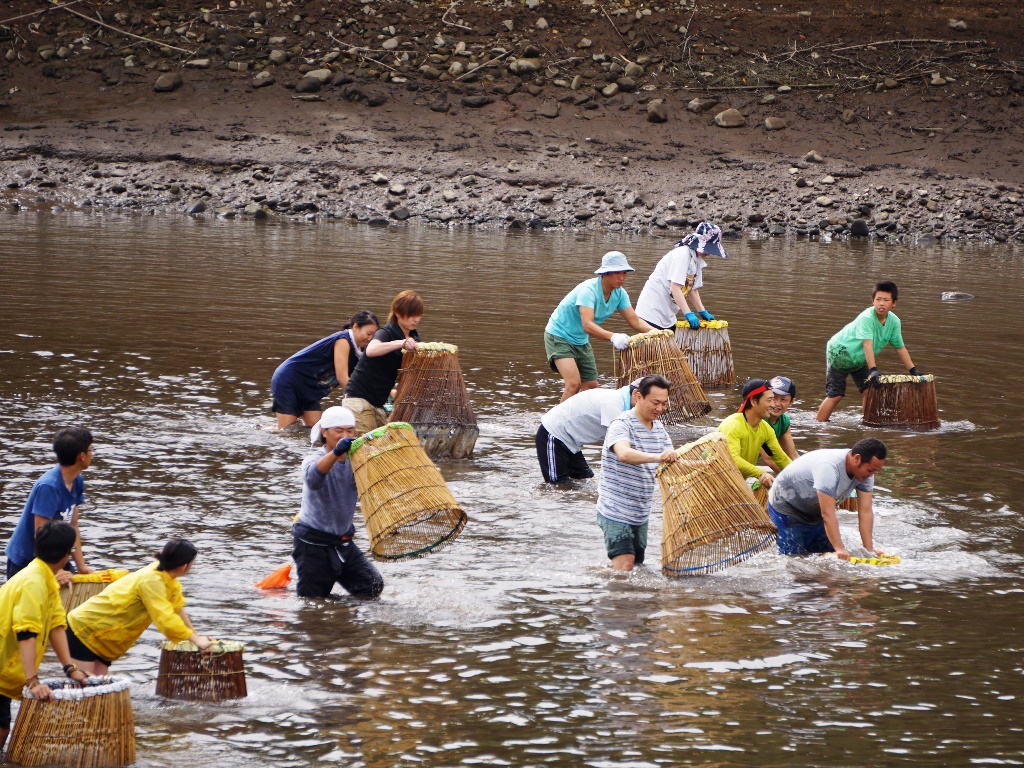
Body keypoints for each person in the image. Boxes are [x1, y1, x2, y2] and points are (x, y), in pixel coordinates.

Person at [1, 522, 89, 751]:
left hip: (4, 666)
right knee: (1, 729)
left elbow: (56, 626)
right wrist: (33, 681)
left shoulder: (45, 578)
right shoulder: (33, 582)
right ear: (65, 554)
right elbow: (26, 633)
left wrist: (70, 668)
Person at [66, 538, 213, 675]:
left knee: (99, 688)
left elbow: (177, 609)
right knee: (85, 688)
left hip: (103, 637)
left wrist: (196, 637)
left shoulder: (168, 577)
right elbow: (165, 619)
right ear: (184, 566)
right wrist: (195, 640)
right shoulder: (152, 580)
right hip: (85, 629)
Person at [292, 406, 384, 600]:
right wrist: (335, 454)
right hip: (313, 542)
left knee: (371, 586)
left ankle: (342, 617)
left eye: (350, 431)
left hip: (342, 541)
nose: (345, 435)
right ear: (324, 432)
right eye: (339, 430)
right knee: (312, 600)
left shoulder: (356, 460)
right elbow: (313, 480)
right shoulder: (313, 458)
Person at [544, 251, 655, 403]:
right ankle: (553, 424)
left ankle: (581, 420)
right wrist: (613, 336)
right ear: (605, 273)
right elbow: (587, 325)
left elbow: (635, 321)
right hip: (558, 335)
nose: (621, 277)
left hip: (580, 340)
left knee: (591, 386)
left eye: (624, 273)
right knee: (574, 384)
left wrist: (658, 333)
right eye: (617, 273)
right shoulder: (588, 290)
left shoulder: (620, 294)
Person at [595, 375, 677, 571]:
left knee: (638, 567)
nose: (659, 409)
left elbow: (672, 461)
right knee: (626, 565)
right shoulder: (621, 424)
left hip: (640, 512)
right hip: (615, 509)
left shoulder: (659, 429)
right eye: (655, 403)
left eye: (664, 404)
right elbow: (623, 454)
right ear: (638, 396)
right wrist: (658, 457)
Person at [816, 281, 924, 422]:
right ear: (872, 300)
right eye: (878, 299)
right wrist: (873, 370)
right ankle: (819, 425)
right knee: (836, 395)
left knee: (871, 391)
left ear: (894, 303)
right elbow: (867, 345)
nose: (881, 304)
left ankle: (866, 423)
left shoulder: (894, 322)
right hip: (840, 353)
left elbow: (900, 347)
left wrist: (913, 370)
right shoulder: (867, 318)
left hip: (859, 359)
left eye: (886, 300)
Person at [768, 438, 889, 559]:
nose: (871, 475)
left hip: (815, 512)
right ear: (857, 458)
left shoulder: (866, 475)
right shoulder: (829, 468)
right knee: (794, 560)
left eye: (875, 471)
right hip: (786, 507)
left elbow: (865, 511)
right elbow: (827, 513)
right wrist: (839, 548)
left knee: (827, 559)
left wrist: (869, 549)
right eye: (870, 470)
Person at [5, 427, 95, 585]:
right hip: (27, 561)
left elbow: (72, 525)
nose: (92, 453)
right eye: (90, 449)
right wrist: (55, 571)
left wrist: (81, 566)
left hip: (56, 557)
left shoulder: (77, 480)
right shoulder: (49, 487)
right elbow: (40, 535)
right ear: (82, 456)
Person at [271, 310, 381, 429]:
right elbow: (342, 378)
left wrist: (387, 393)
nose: (370, 338)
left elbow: (365, 379)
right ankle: (266, 432)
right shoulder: (343, 341)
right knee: (287, 430)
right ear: (355, 327)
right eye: (368, 333)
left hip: (309, 387)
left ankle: (266, 428)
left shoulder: (359, 351)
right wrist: (363, 400)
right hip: (290, 380)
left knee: (317, 428)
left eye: (373, 336)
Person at [343, 291, 422, 435]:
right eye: (410, 314)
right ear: (397, 313)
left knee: (386, 445)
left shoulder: (414, 339)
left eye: (418, 315)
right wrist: (401, 343)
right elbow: (371, 350)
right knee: (365, 446)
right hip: (358, 399)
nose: (415, 319)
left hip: (378, 403)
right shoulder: (385, 332)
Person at [536, 380, 641, 483]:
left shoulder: (625, 404)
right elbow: (620, 448)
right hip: (553, 434)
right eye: (653, 402)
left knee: (585, 481)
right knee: (557, 487)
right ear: (636, 394)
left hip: (571, 440)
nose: (657, 408)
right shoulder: (613, 404)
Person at [635, 221, 729, 330]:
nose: (709, 252)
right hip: (651, 311)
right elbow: (675, 288)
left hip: (668, 315)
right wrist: (688, 314)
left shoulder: (697, 260)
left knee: (675, 345)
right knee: (663, 346)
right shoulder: (682, 255)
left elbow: (692, 289)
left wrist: (702, 311)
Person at [717, 379, 793, 489]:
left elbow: (781, 459)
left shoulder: (765, 429)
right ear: (753, 401)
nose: (773, 404)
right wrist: (761, 473)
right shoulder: (733, 425)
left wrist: (800, 474)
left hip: (736, 483)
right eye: (769, 400)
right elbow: (731, 459)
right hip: (715, 481)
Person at [760, 376, 800, 473]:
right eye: (773, 398)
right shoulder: (760, 419)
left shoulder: (784, 421)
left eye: (783, 400)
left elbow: (792, 455)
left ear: (791, 402)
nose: (776, 404)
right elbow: (769, 459)